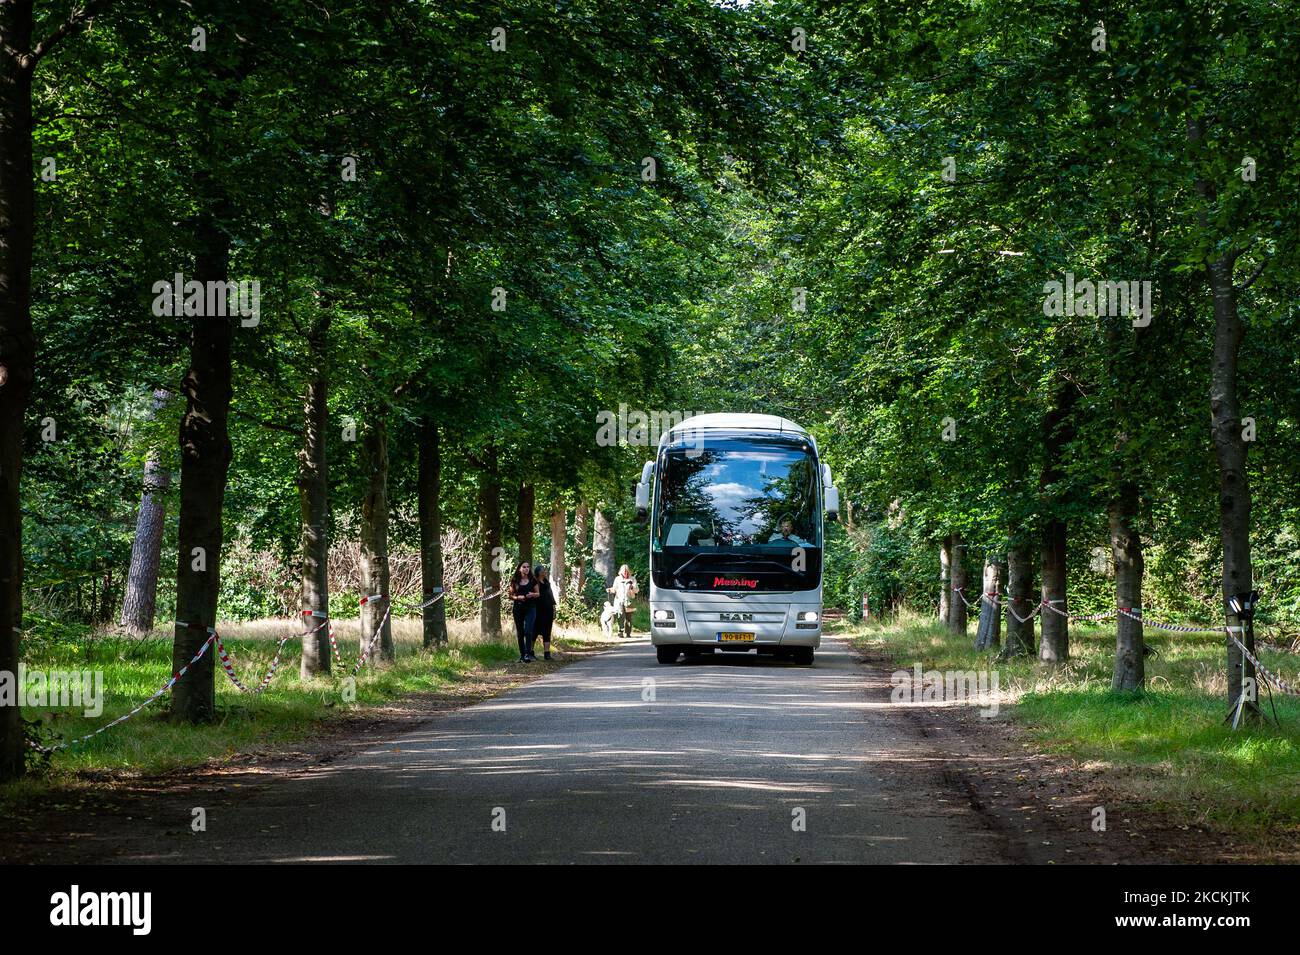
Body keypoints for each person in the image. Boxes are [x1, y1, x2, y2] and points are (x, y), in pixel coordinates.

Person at [508, 560, 538, 662]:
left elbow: (538, 593)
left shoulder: (533, 580)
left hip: (531, 608)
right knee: (520, 632)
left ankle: (528, 653)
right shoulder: (515, 580)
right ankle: (522, 655)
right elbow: (510, 596)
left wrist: (532, 595)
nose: (526, 569)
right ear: (520, 568)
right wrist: (517, 598)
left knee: (528, 631)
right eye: (524, 567)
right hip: (518, 608)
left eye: (528, 567)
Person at [532, 564, 557, 660]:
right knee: (534, 631)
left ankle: (547, 653)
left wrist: (554, 608)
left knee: (547, 631)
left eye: (545, 570)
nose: (544, 572)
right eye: (542, 571)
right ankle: (531, 652)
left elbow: (551, 596)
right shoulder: (534, 582)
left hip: (548, 610)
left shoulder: (547, 582)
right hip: (538, 610)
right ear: (538, 572)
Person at [607, 564, 638, 639]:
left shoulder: (632, 579)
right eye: (624, 572)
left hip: (629, 600)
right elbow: (614, 589)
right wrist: (610, 590)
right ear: (621, 572)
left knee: (629, 618)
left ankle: (628, 633)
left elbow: (637, 590)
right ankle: (620, 632)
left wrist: (632, 587)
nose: (625, 573)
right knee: (620, 616)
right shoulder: (617, 579)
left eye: (627, 571)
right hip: (619, 600)